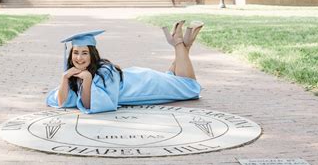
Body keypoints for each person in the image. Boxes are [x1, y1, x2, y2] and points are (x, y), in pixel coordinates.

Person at [46, 20, 204, 114]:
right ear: (70, 54)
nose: (79, 58)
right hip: (138, 77)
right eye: (76, 53)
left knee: (190, 87)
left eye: (85, 53)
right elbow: (61, 102)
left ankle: (178, 43)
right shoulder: (73, 73)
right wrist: (64, 78)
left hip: (145, 85)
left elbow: (90, 105)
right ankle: (184, 45)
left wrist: (87, 80)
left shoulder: (105, 70)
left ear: (92, 55)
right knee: (175, 79)